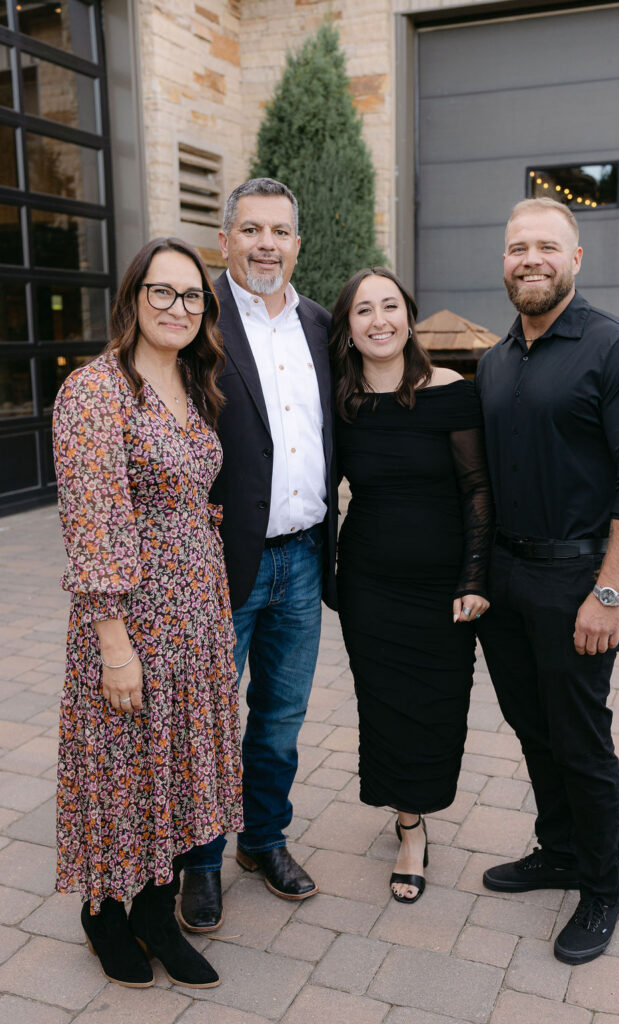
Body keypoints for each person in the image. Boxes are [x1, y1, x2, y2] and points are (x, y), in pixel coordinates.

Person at [476, 197, 619, 964]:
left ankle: (600, 889)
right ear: (503, 261)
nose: (530, 259)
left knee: (580, 740)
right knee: (532, 728)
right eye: (517, 246)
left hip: (579, 581)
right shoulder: (495, 361)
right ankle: (557, 848)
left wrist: (609, 591)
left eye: (546, 247)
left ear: (575, 258)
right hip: (507, 579)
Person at [52, 237, 243, 988]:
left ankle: (157, 909)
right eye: (161, 292)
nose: (178, 308)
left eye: (192, 296)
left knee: (182, 763)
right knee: (122, 764)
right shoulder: (95, 390)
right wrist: (113, 644)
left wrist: (201, 520)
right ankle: (104, 912)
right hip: (131, 619)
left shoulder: (195, 381)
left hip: (197, 614)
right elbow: (94, 520)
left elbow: (179, 486)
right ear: (132, 299)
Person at [179, 178, 337, 930]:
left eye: (278, 231)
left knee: (279, 717)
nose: (265, 244)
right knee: (207, 718)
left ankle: (263, 840)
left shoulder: (320, 325)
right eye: (250, 231)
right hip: (218, 562)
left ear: (296, 243)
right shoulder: (191, 320)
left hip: (303, 558)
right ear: (225, 240)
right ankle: (199, 864)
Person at [330, 267, 493, 903]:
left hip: (443, 588)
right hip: (369, 585)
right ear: (347, 328)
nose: (379, 320)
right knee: (385, 707)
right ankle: (408, 828)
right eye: (363, 310)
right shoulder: (339, 404)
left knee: (438, 705)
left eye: (390, 306)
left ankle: (420, 807)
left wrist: (475, 576)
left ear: (408, 315)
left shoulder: (452, 391)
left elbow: (477, 488)